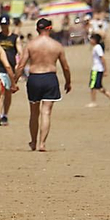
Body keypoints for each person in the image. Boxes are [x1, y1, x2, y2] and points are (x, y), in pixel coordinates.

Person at [17, 17, 71, 152]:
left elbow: (21, 65)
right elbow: (65, 67)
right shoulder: (57, 45)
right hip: (50, 78)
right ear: (50, 28)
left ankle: (34, 142)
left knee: (34, 113)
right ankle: (42, 143)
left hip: (34, 78)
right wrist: (68, 82)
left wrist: (14, 81)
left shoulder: (30, 45)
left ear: (37, 29)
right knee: (46, 112)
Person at [0, 16, 20, 126]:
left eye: (5, 25)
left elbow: (20, 51)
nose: (3, 27)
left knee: (8, 93)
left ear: (9, 24)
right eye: (2, 25)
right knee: (1, 92)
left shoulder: (14, 38)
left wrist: (19, 65)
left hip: (11, 69)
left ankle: (5, 114)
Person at [88, 32, 108, 107]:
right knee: (99, 87)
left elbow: (102, 58)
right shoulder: (96, 47)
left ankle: (93, 102)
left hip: (96, 69)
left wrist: (105, 70)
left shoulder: (97, 47)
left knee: (93, 86)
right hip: (98, 69)